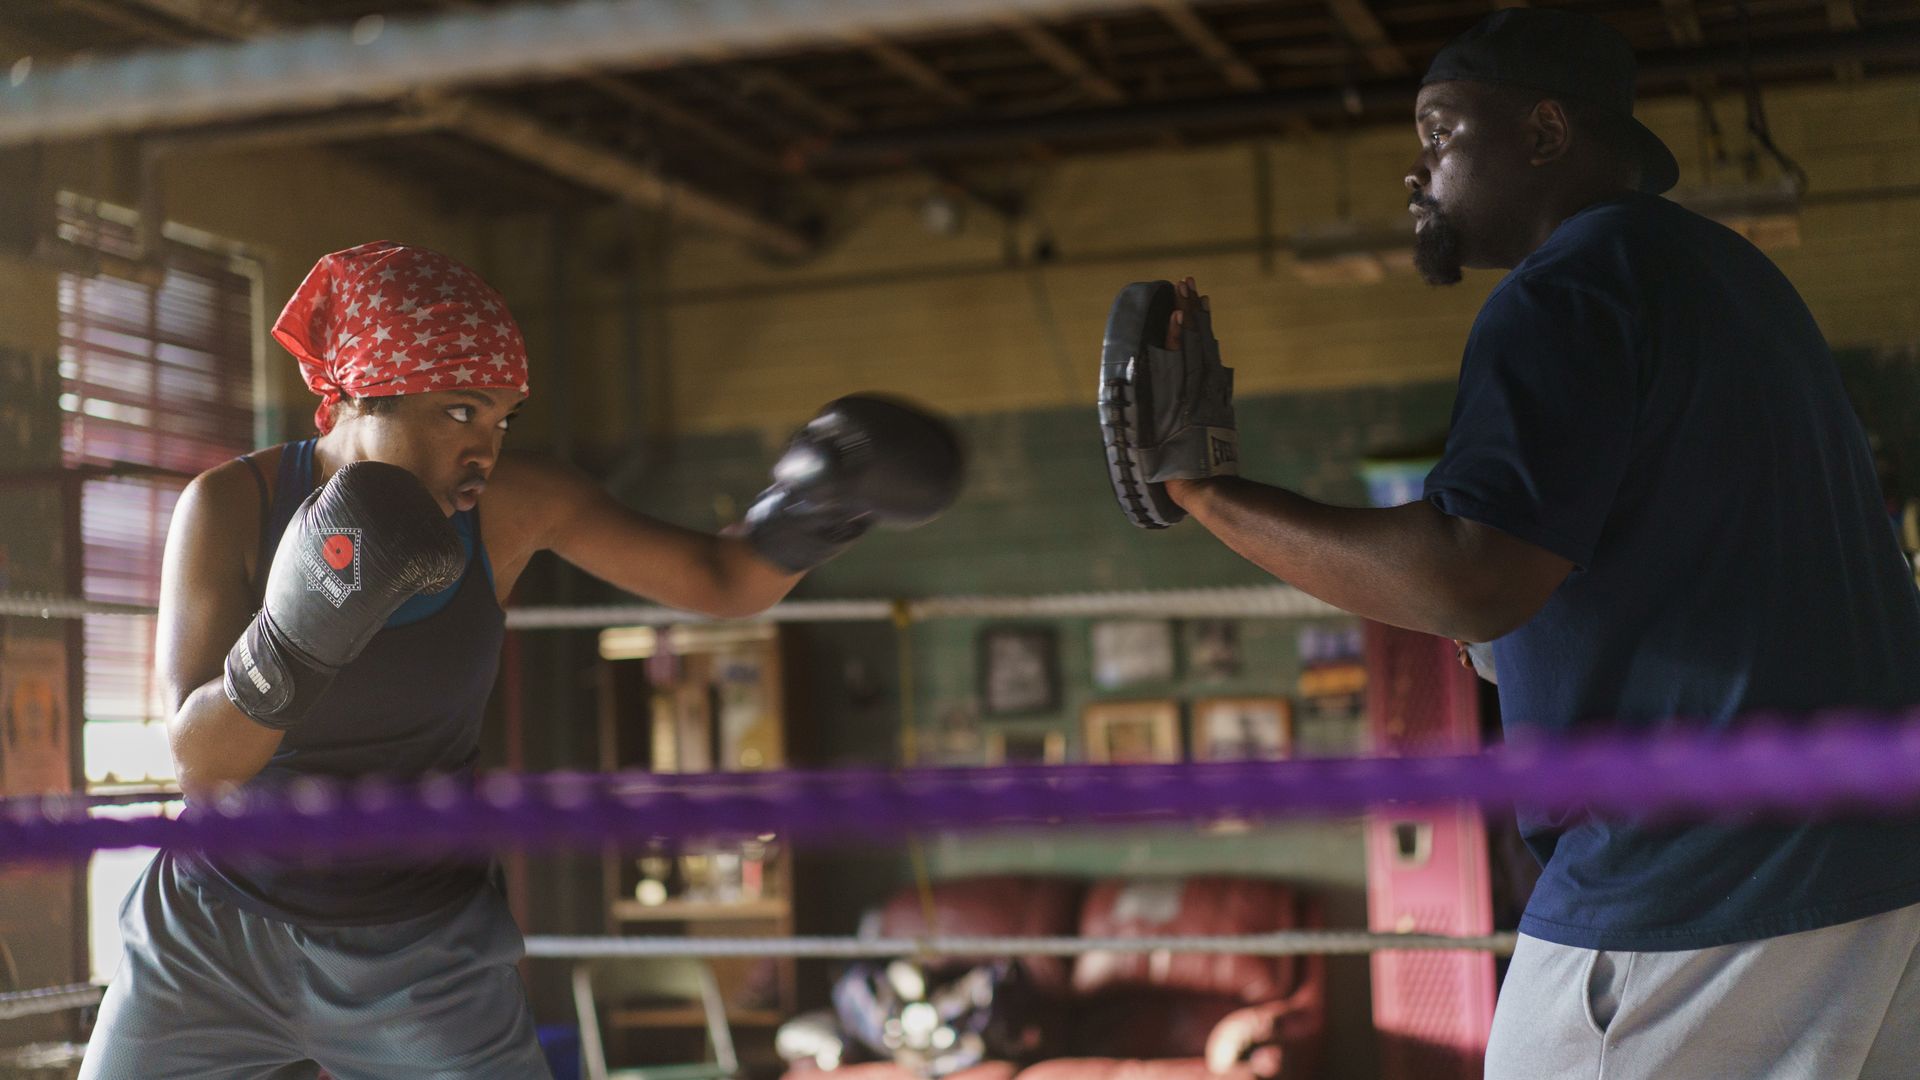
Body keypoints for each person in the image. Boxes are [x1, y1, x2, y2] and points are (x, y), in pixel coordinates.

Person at [1119, 10, 1920, 1077]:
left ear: (1545, 132)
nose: (1416, 170)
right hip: (1878, 868)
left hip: (1699, 879)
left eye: (1440, 132)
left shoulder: (1568, 288)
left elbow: (1471, 576)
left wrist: (1204, 492)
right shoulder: (1732, 280)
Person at [80, 240, 964, 1079]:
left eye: (504, 419)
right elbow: (203, 768)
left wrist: (812, 510)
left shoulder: (509, 506)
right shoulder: (233, 506)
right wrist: (296, 629)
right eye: (460, 411)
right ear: (364, 394)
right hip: (212, 935)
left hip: (417, 947)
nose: (485, 449)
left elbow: (722, 577)